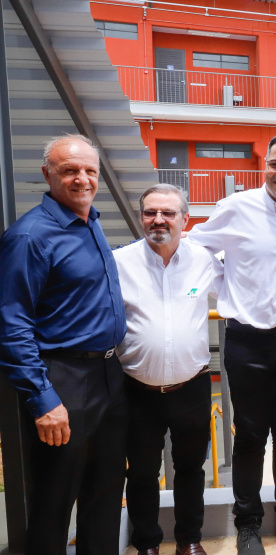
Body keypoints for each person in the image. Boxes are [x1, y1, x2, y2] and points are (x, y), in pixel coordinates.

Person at [187, 132, 276, 555]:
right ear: (263, 165)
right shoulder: (236, 208)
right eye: (274, 164)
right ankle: (247, 525)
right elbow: (197, 247)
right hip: (247, 341)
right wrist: (223, 288)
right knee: (250, 435)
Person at [0, 134, 128, 554]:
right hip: (63, 378)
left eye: (89, 170)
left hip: (108, 374)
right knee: (55, 498)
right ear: (47, 174)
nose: (82, 179)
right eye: (69, 170)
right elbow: (12, 322)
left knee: (106, 490)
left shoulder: (90, 222)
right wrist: (43, 398)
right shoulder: (30, 236)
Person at [115, 184, 224, 555]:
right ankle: (146, 543)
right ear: (141, 216)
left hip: (192, 387)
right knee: (142, 472)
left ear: (185, 218)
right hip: (136, 390)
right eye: (150, 212)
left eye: (168, 213)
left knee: (191, 470)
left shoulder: (204, 260)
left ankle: (189, 541)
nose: (158, 220)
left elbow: (237, 294)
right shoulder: (119, 262)